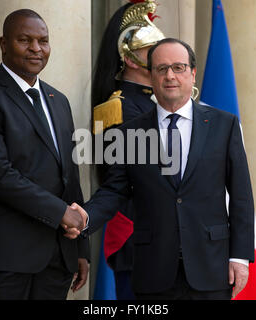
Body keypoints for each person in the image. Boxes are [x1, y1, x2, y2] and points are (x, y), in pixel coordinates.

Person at [69, 38, 255, 300]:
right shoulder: (130, 133)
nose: (170, 76)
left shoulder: (224, 125)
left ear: (193, 74)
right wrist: (85, 217)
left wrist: (239, 257)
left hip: (212, 268)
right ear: (152, 76)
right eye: (161, 68)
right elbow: (113, 191)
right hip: (153, 270)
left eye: (178, 68)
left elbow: (241, 197)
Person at [0, 9, 89, 300]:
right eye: (25, 40)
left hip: (54, 255)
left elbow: (68, 177)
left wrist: (80, 248)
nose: (36, 48)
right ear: (3, 44)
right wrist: (62, 213)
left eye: (43, 41)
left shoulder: (58, 101)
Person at [91, 0, 165, 300]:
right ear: (132, 59)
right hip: (139, 238)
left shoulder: (160, 103)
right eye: (155, 52)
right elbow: (124, 182)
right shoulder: (116, 108)